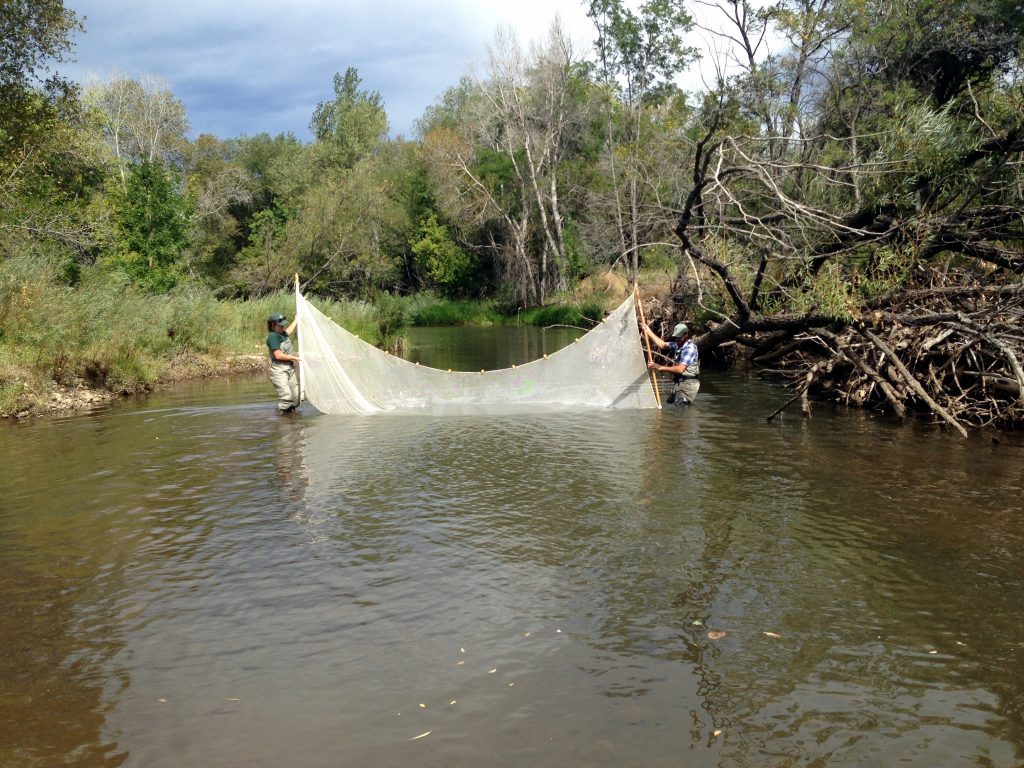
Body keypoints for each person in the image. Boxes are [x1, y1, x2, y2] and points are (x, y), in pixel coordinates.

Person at [641, 320, 700, 404]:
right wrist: (648, 331)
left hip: (689, 384)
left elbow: (680, 369)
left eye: (679, 337)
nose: (677, 339)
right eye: (676, 337)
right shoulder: (678, 344)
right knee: (670, 404)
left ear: (686, 334)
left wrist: (659, 367)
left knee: (680, 407)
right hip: (679, 383)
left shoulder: (690, 348)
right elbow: (662, 345)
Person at [267, 312, 300, 413]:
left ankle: (291, 418)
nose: (282, 327)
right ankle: (280, 418)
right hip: (279, 370)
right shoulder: (272, 337)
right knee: (287, 397)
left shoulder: (282, 334)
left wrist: (296, 319)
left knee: (295, 398)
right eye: (280, 325)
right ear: (273, 325)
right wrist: (295, 357)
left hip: (289, 369)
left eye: (283, 325)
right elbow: (278, 355)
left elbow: (289, 331)